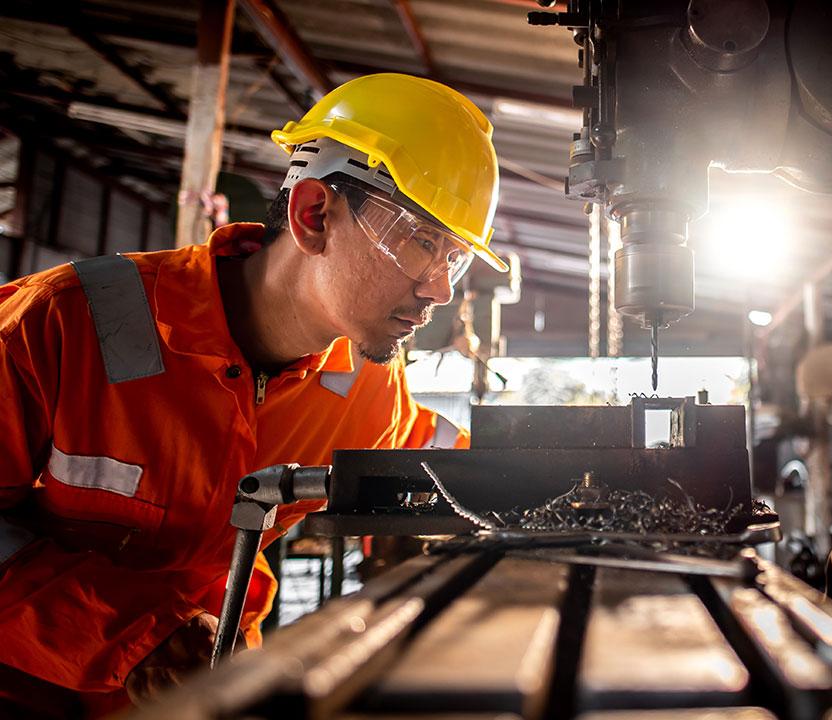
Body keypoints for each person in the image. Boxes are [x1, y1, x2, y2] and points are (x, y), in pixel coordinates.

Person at [0, 73, 506, 717]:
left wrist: (565, 481)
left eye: (455, 260)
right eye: (420, 243)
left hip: (204, 694)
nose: (440, 290)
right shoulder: (62, 325)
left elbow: (426, 453)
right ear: (313, 215)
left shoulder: (367, 379)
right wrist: (134, 638)